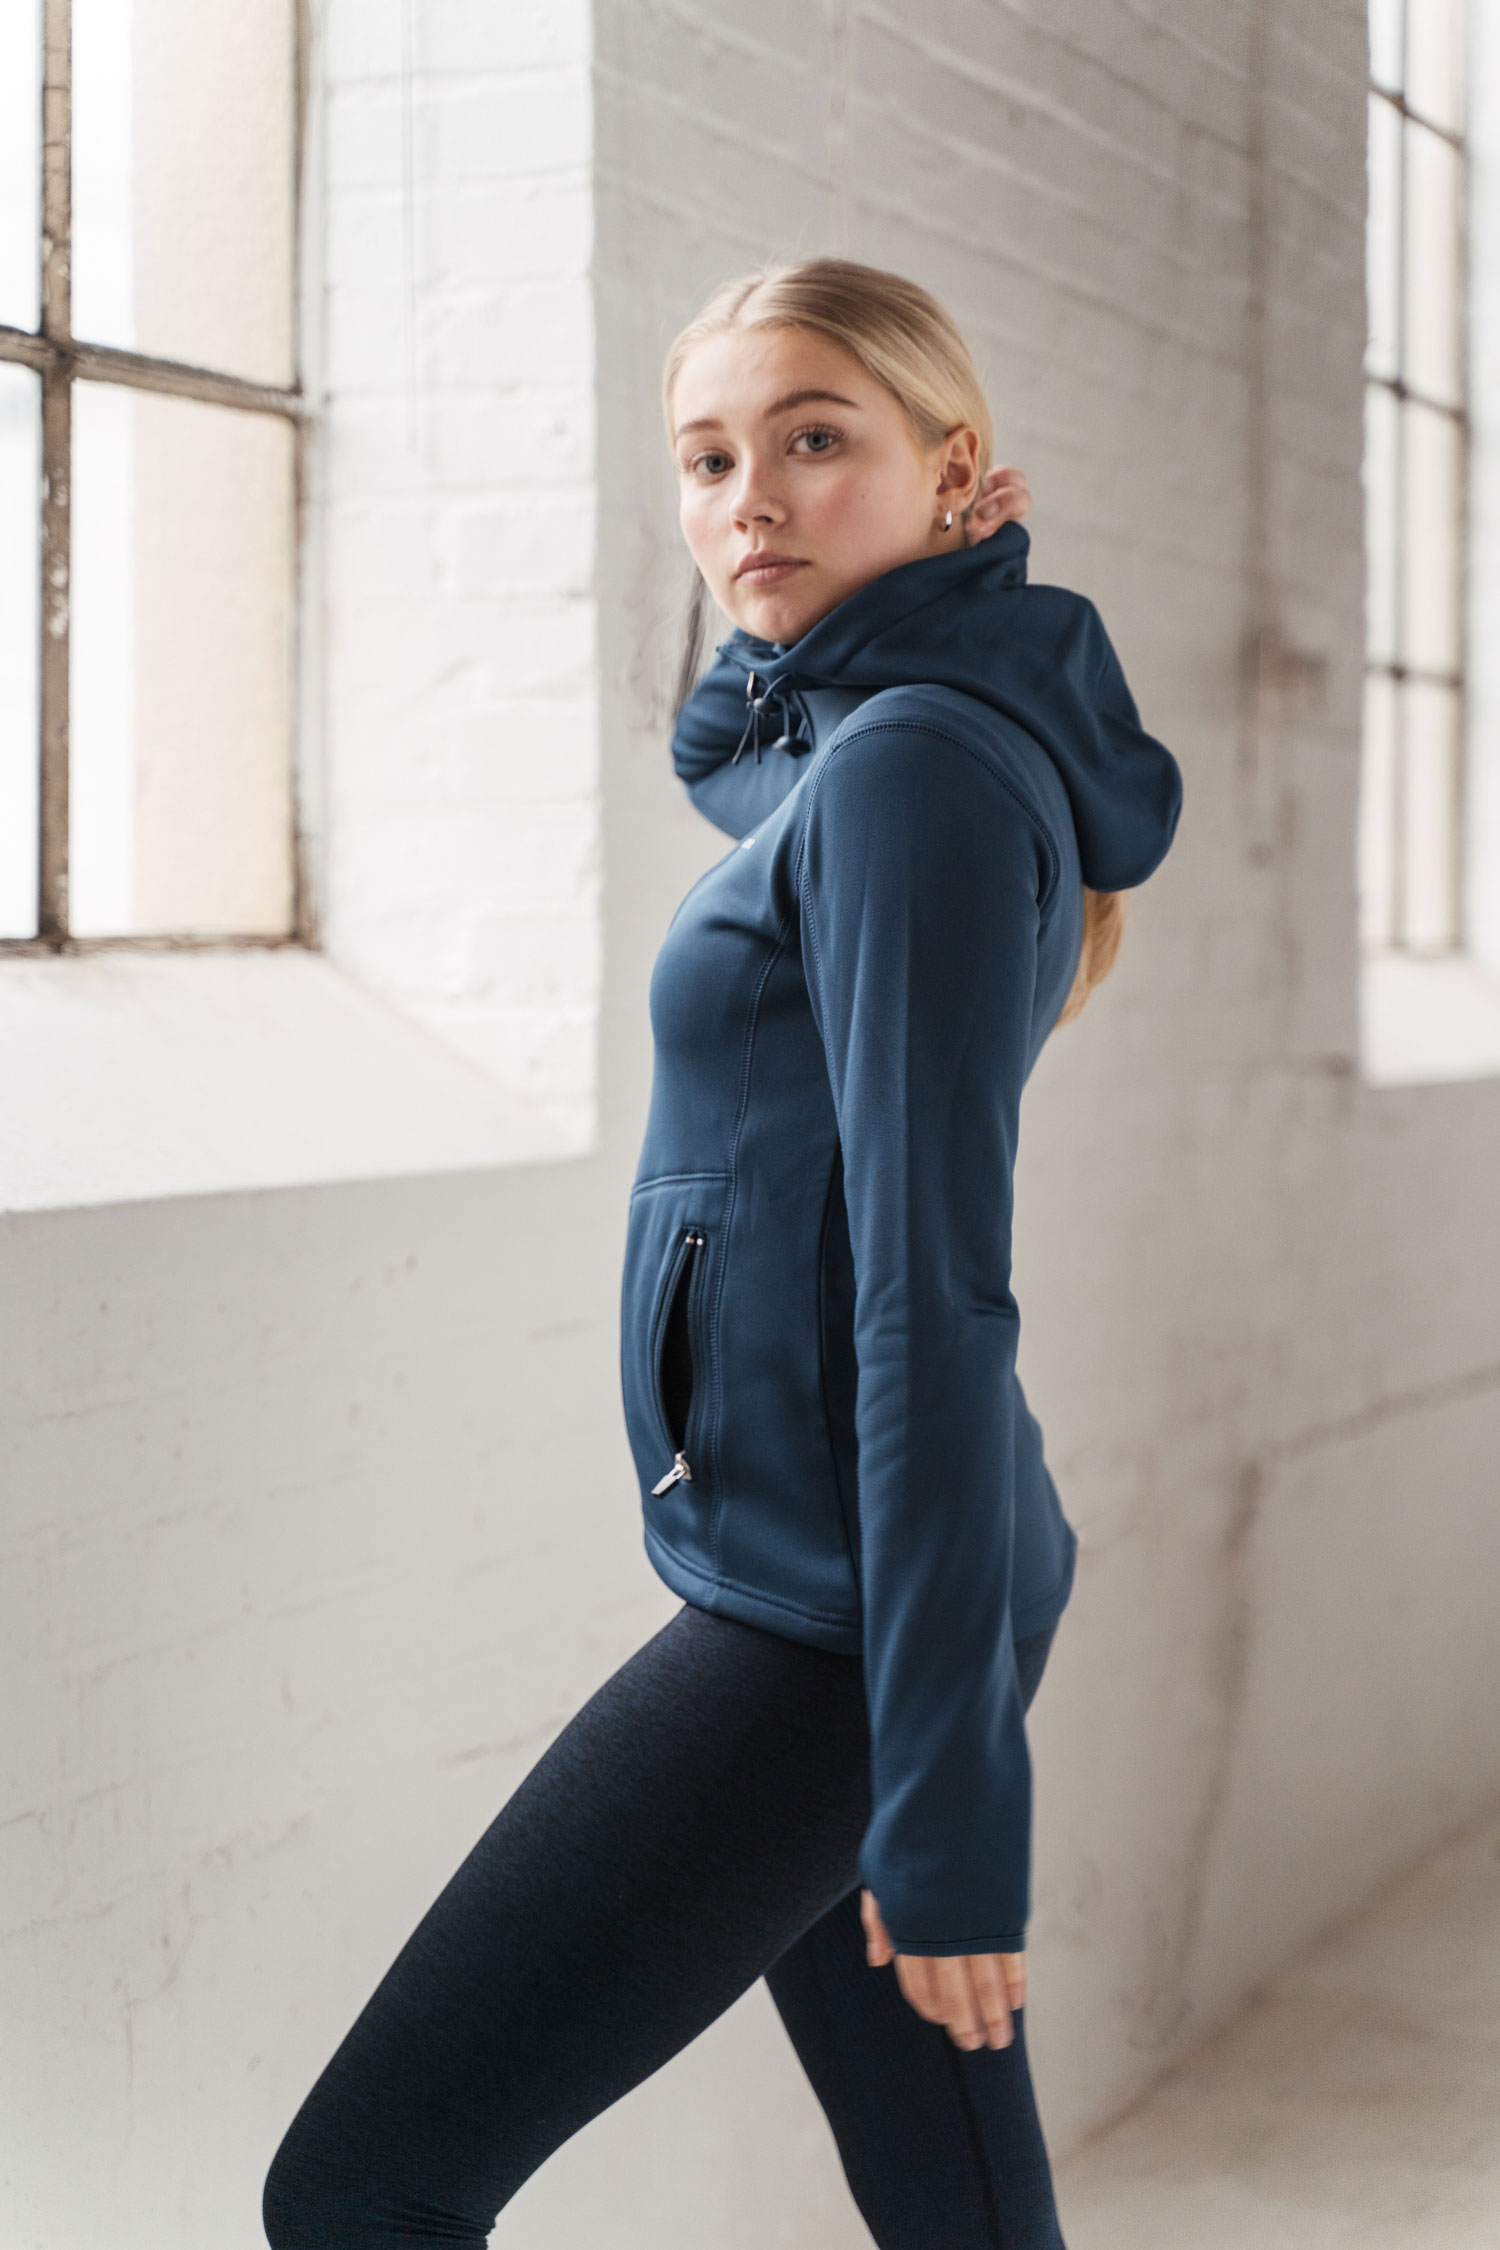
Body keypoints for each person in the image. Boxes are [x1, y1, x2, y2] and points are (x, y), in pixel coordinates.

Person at [263, 257, 1182, 2250]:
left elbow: (936, 1292)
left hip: (840, 1628)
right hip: (868, 1578)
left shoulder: (912, 772)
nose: (749, 498)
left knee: (359, 2190)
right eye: (705, 460)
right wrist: (918, 571)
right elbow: (733, 758)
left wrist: (948, 1816)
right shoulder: (894, 739)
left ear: (954, 467)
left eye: (814, 440)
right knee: (954, 2207)